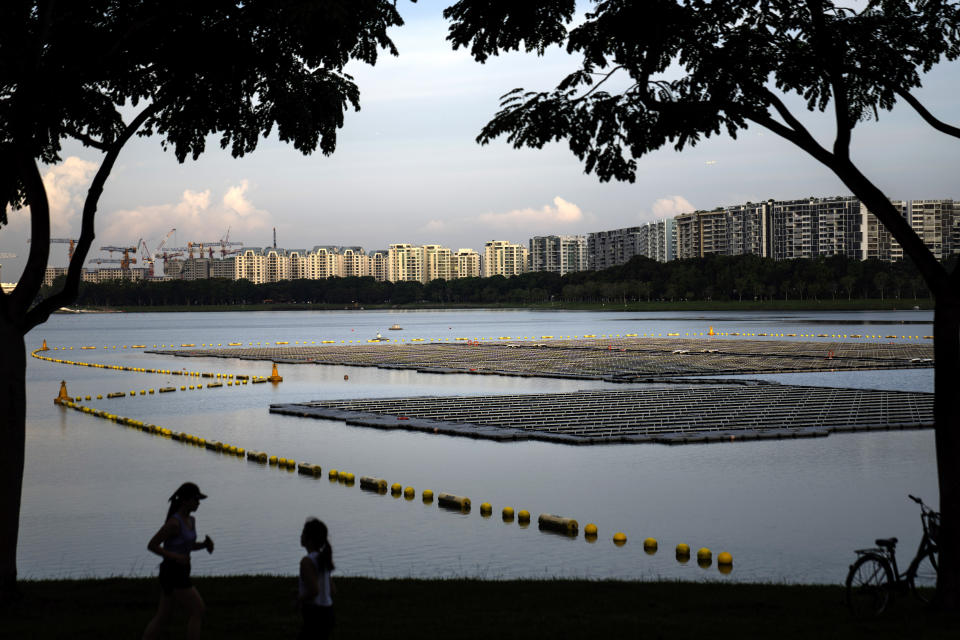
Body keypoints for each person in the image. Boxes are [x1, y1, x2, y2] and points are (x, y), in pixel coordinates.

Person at [143, 482, 215, 640]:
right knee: (198, 610)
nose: (198, 503)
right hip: (172, 572)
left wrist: (204, 545)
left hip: (180, 571)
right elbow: (152, 545)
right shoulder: (174, 523)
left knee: (163, 617)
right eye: (196, 499)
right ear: (185, 500)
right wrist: (175, 557)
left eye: (199, 500)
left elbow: (187, 546)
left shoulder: (191, 520)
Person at [298, 518, 335, 639]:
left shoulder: (306, 561)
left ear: (309, 539)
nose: (300, 535)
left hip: (314, 613)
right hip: (328, 611)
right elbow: (332, 589)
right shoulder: (323, 558)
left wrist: (298, 599)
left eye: (303, 533)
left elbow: (314, 591)